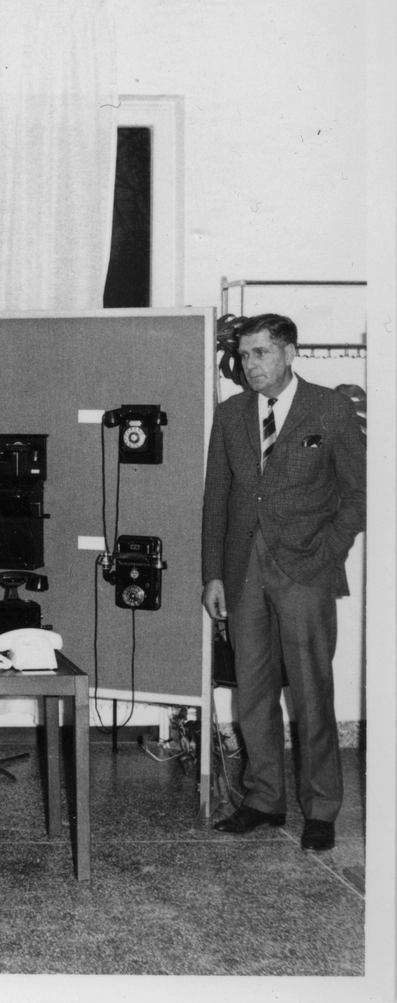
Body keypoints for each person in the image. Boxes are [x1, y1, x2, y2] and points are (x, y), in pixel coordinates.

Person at [201, 313, 365, 852]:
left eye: (261, 353)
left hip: (306, 572)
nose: (250, 365)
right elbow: (216, 499)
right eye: (244, 355)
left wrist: (328, 552)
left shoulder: (330, 408)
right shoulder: (230, 414)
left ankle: (321, 810)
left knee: (312, 692)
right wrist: (213, 575)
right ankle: (264, 799)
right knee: (253, 691)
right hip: (244, 571)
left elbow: (358, 494)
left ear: (290, 352)